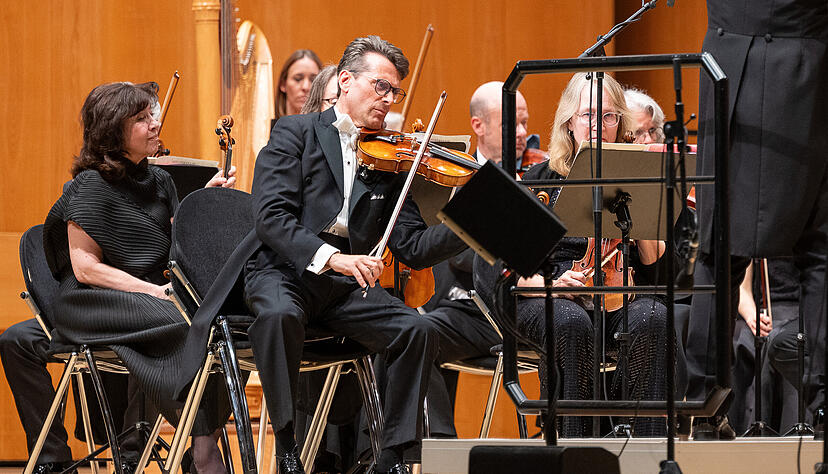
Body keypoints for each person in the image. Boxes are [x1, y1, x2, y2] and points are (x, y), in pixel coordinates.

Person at [238, 36, 466, 474]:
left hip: (344, 288)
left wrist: (466, 227)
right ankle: (287, 448)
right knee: (279, 316)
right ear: (345, 81)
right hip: (286, 269)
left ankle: (391, 457)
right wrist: (332, 258)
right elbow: (271, 218)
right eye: (380, 86)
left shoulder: (386, 156)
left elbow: (412, 247)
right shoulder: (294, 133)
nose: (389, 99)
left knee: (415, 330)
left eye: (394, 92)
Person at [40, 81, 236, 473]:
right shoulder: (90, 185)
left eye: (154, 115)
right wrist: (155, 291)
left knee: (218, 326)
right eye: (142, 119)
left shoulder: (159, 180)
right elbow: (85, 269)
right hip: (88, 301)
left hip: (145, 297)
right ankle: (202, 453)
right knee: (189, 326)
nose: (155, 124)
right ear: (113, 129)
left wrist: (203, 201)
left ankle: (199, 447)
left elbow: (175, 244)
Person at [491, 72, 671, 437]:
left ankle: (645, 448)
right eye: (588, 115)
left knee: (654, 316)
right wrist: (552, 285)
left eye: (608, 116)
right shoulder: (540, 179)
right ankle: (574, 448)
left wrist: (643, 202)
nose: (598, 125)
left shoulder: (637, 177)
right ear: (568, 122)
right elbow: (506, 270)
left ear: (619, 122)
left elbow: (654, 267)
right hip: (544, 293)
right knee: (571, 322)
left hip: (618, 295)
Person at [688, 0, 828, 439]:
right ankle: (823, 407)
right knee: (821, 247)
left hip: (726, 62)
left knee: (718, 244)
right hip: (807, 63)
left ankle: (704, 406)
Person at [273, 49, 323, 126]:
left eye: (313, 80)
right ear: (283, 84)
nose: (305, 87)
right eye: (298, 79)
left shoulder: (327, 133)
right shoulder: (266, 130)